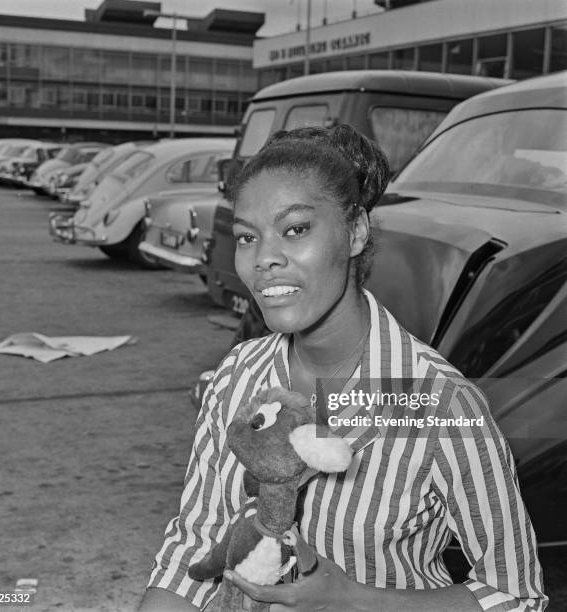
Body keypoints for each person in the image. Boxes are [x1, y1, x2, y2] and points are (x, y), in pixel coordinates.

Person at [138, 125, 547, 611]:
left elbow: (516, 596)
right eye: (248, 236)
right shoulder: (238, 375)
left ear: (355, 231)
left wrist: (351, 599)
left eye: (295, 229)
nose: (264, 259)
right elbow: (194, 544)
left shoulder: (436, 401)